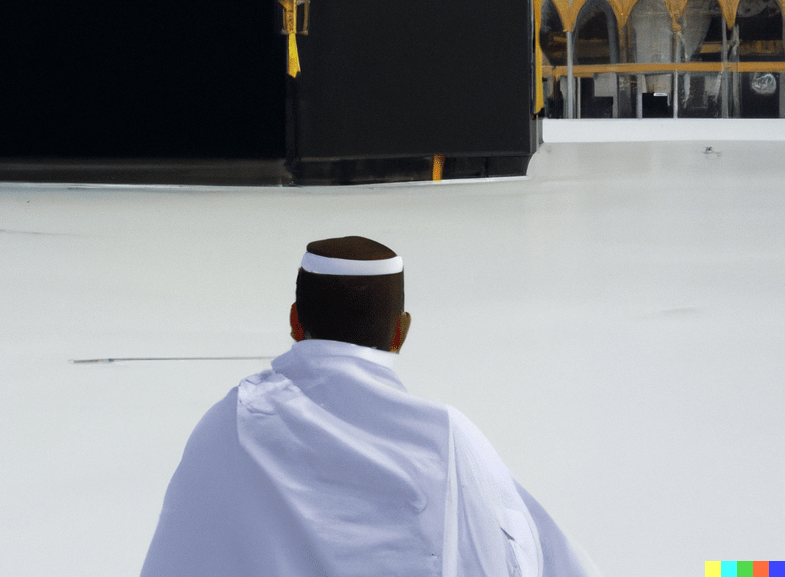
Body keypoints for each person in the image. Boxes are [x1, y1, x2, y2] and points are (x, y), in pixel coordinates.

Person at [140, 236, 594, 577]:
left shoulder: (235, 421)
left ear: (295, 320)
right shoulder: (447, 438)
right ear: (401, 331)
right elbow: (536, 556)